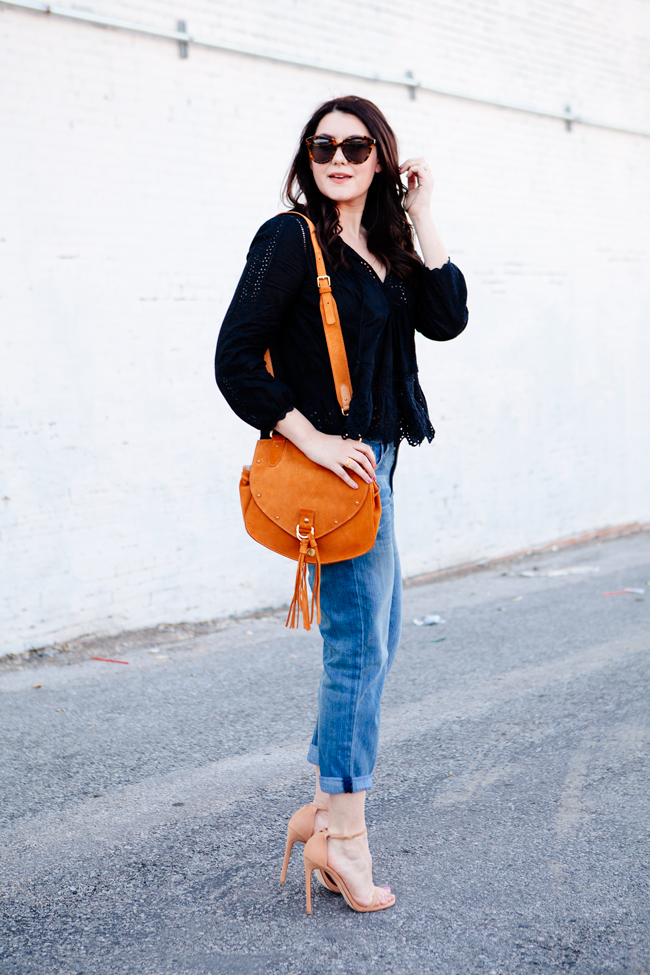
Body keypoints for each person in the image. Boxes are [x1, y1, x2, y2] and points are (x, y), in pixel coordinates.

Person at [215, 95, 468, 914]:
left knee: (379, 638)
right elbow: (233, 359)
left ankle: (325, 814)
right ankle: (345, 844)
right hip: (338, 470)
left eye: (356, 145)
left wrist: (422, 212)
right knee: (357, 648)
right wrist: (312, 435)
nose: (337, 156)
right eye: (322, 144)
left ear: (379, 158)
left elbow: (449, 316)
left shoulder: (385, 246)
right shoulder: (290, 238)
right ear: (308, 157)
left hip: (383, 462)